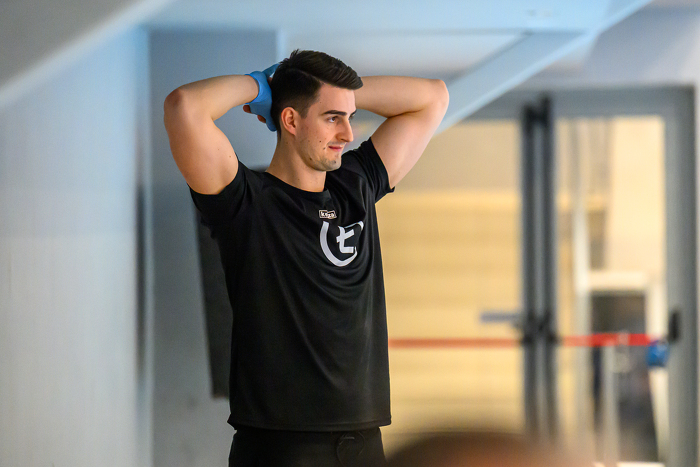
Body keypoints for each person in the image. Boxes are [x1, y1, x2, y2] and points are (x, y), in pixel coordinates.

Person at [163, 49, 449, 466]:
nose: (347, 134)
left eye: (349, 118)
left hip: (364, 441)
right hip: (280, 448)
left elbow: (433, 98)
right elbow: (184, 107)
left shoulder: (356, 185)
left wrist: (340, 96)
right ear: (291, 120)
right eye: (333, 118)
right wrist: (261, 86)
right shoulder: (246, 202)